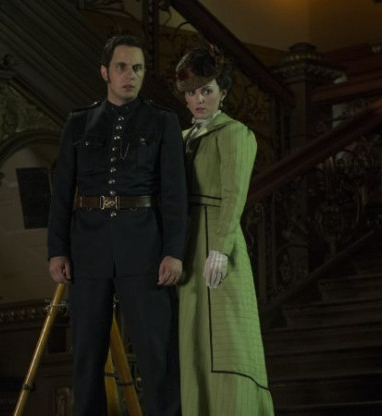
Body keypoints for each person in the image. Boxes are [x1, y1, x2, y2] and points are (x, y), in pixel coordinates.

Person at [47, 34, 187, 416]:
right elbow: (62, 193)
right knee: (86, 356)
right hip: (87, 248)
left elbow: (175, 194)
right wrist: (57, 249)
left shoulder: (162, 121)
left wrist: (174, 252)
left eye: (137, 68)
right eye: (122, 67)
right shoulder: (78, 122)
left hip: (144, 246)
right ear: (105, 72)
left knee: (157, 352)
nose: (131, 75)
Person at [174, 45, 275, 415]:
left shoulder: (235, 133)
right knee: (193, 338)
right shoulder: (182, 138)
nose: (198, 99)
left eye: (206, 90)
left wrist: (220, 247)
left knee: (225, 337)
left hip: (216, 241)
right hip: (186, 243)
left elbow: (235, 194)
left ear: (223, 92)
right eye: (191, 92)